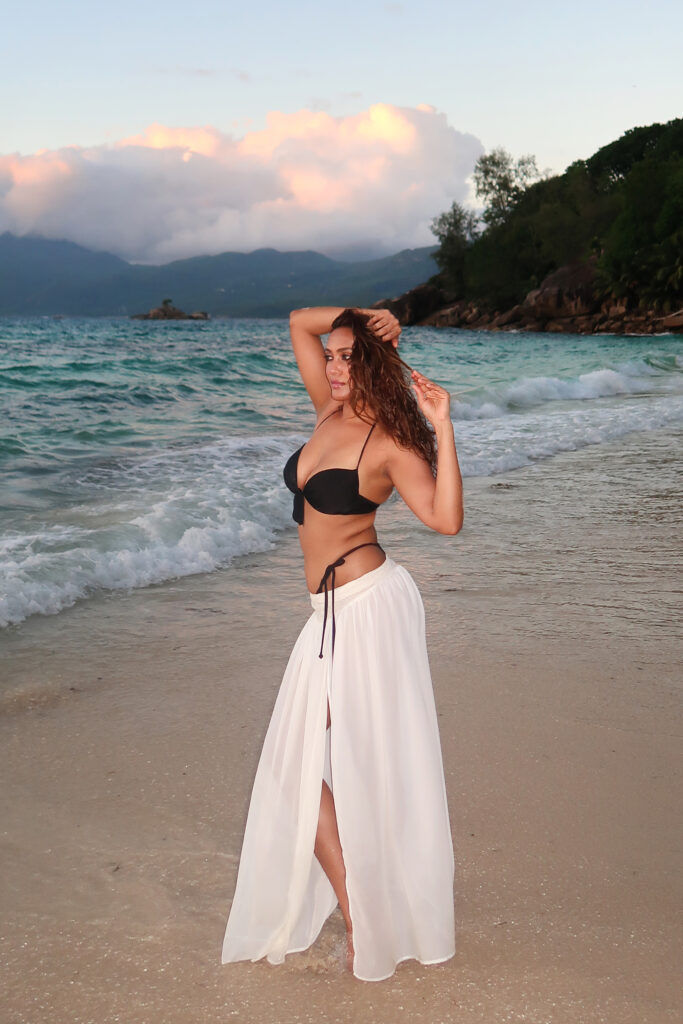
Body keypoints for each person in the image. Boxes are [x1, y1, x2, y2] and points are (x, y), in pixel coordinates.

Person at [221, 305, 463, 982]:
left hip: (368, 609)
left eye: (348, 356)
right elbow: (301, 320)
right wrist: (364, 317)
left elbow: (445, 520)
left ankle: (361, 914)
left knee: (308, 765)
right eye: (330, 355)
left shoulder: (388, 440)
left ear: (373, 365)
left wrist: (443, 425)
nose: (332, 366)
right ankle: (363, 908)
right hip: (326, 614)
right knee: (301, 765)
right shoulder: (327, 410)